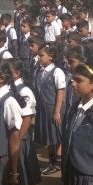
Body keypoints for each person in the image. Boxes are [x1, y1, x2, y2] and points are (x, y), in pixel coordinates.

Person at [32, 45, 66, 175]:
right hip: (43, 108)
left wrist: (57, 111)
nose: (39, 58)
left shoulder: (57, 72)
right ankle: (51, 162)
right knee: (48, 136)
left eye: (42, 55)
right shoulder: (38, 71)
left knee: (56, 136)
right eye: (38, 55)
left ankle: (58, 162)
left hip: (53, 107)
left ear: (50, 57)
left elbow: (60, 92)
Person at [8, 59, 41, 185]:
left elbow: (27, 119)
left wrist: (18, 139)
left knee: (22, 171)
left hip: (20, 137)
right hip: (11, 137)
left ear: (16, 73)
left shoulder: (24, 91)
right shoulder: (8, 87)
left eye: (7, 71)